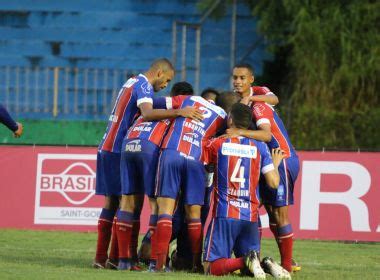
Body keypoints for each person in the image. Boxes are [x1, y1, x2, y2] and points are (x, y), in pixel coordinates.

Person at [93, 58, 202, 269]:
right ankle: (120, 260)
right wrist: (180, 112)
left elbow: (159, 103)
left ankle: (108, 259)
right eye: (166, 80)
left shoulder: (132, 82)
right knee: (130, 203)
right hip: (118, 149)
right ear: (159, 73)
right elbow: (148, 113)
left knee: (114, 204)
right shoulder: (143, 85)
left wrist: (180, 103)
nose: (165, 86)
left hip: (107, 146)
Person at [116, 82, 198, 270]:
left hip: (129, 143)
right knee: (157, 205)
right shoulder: (178, 110)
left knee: (126, 203)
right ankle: (156, 263)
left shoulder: (151, 105)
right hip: (149, 147)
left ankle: (124, 261)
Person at [229, 63, 300, 273]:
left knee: (279, 214)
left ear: (251, 79)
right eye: (235, 77)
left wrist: (238, 133)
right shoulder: (239, 104)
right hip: (266, 161)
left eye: (242, 78)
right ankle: (256, 260)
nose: (237, 81)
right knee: (265, 210)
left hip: (282, 158)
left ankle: (286, 266)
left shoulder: (258, 102)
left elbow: (267, 135)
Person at [203, 103, 286, 277]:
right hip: (250, 217)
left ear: (230, 119)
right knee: (248, 270)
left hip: (226, 214)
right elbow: (273, 183)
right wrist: (276, 163)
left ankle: (245, 259)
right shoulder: (261, 147)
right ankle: (265, 263)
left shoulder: (217, 144)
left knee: (211, 268)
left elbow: (204, 167)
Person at [152, 94, 227, 272]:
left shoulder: (188, 99)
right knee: (193, 215)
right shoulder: (222, 115)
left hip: (172, 152)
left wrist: (177, 112)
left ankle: (158, 265)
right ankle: (196, 265)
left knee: (165, 212)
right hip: (196, 158)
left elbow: (153, 103)